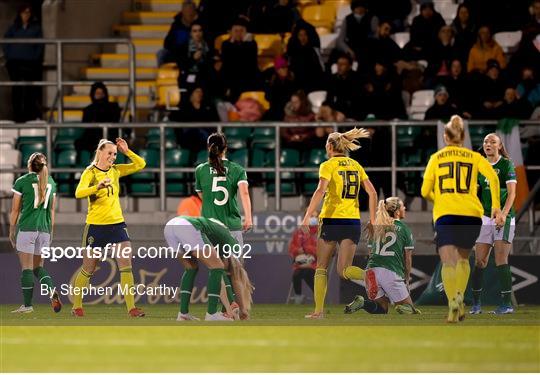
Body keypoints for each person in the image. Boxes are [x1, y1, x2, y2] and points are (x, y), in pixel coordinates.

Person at [421, 115, 503, 323]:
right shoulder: (474, 157)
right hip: (471, 214)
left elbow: (424, 191)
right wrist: (495, 206)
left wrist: (437, 199)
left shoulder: (436, 158)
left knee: (448, 261)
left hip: (446, 213)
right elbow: (493, 177)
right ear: (464, 136)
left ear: (445, 137)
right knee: (464, 259)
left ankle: (452, 303)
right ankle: (460, 297)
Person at [301, 128, 378, 319]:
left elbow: (320, 190)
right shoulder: (355, 165)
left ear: (329, 146)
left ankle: (318, 311)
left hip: (331, 219)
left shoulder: (328, 165)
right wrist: (374, 220)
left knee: (321, 267)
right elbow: (373, 193)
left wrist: (307, 215)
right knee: (344, 270)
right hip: (352, 220)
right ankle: (367, 275)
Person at [72, 138, 146, 317]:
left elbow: (140, 164)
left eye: (115, 154)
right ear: (100, 153)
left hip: (117, 225)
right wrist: (96, 187)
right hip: (96, 226)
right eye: (110, 153)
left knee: (126, 265)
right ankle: (77, 306)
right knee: (88, 269)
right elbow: (78, 192)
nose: (113, 157)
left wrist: (127, 151)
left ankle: (131, 308)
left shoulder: (115, 171)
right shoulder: (90, 172)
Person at [194, 132, 253, 318]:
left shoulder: (201, 170)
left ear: (208, 148)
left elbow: (203, 197)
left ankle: (228, 309)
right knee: (235, 270)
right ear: (226, 148)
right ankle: (242, 310)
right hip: (233, 226)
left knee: (216, 270)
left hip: (211, 228)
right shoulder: (237, 169)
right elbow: (244, 194)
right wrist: (248, 217)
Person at [164, 216, 253, 321]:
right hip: (188, 227)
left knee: (191, 268)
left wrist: (229, 308)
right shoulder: (233, 246)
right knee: (217, 267)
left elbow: (221, 277)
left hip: (170, 227)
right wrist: (242, 309)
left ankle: (183, 314)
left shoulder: (219, 237)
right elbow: (236, 277)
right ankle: (212, 313)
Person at [344, 197, 420, 315]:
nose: (405, 208)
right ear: (397, 212)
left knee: (381, 309)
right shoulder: (405, 229)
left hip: (371, 271)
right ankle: (403, 308)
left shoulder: (377, 227)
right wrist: (406, 278)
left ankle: (363, 302)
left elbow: (371, 253)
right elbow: (408, 259)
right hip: (391, 271)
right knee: (411, 309)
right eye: (403, 206)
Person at [471, 133, 517, 315]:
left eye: (492, 142)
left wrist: (503, 214)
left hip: (503, 217)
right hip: (484, 217)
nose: (488, 144)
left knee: (500, 259)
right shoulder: (479, 165)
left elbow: (512, 194)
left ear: (499, 146)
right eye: (485, 142)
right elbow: (475, 192)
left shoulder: (506, 164)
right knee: (479, 261)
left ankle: (506, 304)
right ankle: (476, 304)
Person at [9, 153, 62, 314]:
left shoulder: (22, 181)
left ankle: (27, 305)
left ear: (29, 165)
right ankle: (51, 291)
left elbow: (15, 210)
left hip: (27, 228)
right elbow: (52, 210)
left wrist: (12, 229)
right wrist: (51, 231)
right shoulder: (51, 182)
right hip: (44, 230)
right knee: (38, 268)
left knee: (26, 268)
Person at [3, 4, 44, 122]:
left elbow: (40, 45)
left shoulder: (36, 28)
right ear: (20, 14)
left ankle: (28, 116)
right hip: (14, 63)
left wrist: (34, 57)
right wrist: (8, 55)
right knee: (17, 90)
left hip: (29, 63)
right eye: (24, 12)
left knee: (29, 90)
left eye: (28, 13)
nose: (26, 15)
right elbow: (6, 41)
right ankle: (17, 116)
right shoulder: (13, 27)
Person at [220, 16, 260, 100]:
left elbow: (249, 62)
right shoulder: (226, 44)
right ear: (231, 32)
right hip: (231, 77)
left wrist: (246, 42)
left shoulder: (252, 44)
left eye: (242, 30)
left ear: (246, 32)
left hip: (248, 76)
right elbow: (228, 63)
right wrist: (232, 44)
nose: (239, 33)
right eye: (236, 31)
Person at [79, 82, 122, 152]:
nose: (100, 95)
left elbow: (115, 122)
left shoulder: (113, 107)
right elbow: (86, 127)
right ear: (93, 94)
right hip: (92, 139)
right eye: (97, 93)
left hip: (110, 136)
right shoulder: (88, 110)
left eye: (102, 93)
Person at [288, 211, 318, 304]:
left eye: (314, 216)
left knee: (308, 273)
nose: (313, 218)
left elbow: (320, 250)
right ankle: (298, 297)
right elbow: (291, 248)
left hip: (314, 264)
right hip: (300, 264)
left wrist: (306, 249)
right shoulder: (298, 233)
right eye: (311, 216)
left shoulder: (319, 233)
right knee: (296, 275)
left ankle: (318, 296)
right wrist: (298, 250)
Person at [160, 1, 198, 66]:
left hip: (193, 52)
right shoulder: (176, 25)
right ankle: (164, 75)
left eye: (191, 10)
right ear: (182, 12)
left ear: (195, 12)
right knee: (161, 53)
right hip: (177, 52)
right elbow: (167, 43)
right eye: (187, 11)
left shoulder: (199, 24)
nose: (189, 13)